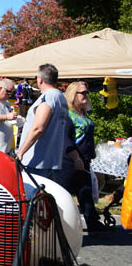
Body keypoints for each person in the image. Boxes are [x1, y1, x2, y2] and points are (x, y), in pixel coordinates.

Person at [54, 82, 111, 233]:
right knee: (63, 195)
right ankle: (57, 225)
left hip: (83, 160)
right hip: (69, 162)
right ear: (73, 95)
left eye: (87, 93)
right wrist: (76, 158)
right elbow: (64, 139)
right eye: (82, 93)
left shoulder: (82, 113)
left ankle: (93, 223)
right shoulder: (67, 115)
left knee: (85, 193)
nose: (86, 95)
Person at [16, 64, 69, 179]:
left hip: (37, 161)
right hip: (52, 160)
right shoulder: (61, 97)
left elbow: (38, 128)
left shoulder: (48, 97)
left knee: (32, 195)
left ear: (40, 79)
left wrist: (21, 152)